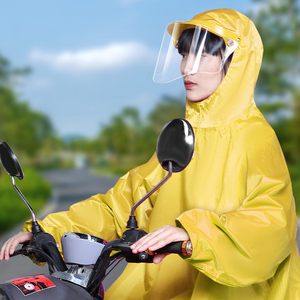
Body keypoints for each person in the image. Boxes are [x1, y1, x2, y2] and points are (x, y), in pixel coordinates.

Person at [1, 8, 300, 299]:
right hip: (166, 286)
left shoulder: (254, 136)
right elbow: (125, 204)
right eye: (184, 54)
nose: (187, 67)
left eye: (203, 54)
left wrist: (195, 236)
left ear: (235, 62)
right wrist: (48, 231)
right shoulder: (185, 135)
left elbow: (273, 223)